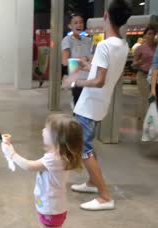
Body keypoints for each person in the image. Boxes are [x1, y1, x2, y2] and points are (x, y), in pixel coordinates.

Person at [62, 0, 132, 211]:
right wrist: (88, 65)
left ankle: (104, 195)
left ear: (105, 17)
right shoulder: (123, 44)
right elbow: (104, 73)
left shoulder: (104, 45)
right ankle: (92, 183)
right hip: (101, 102)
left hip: (90, 103)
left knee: (84, 147)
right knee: (87, 143)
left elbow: (99, 80)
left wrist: (74, 81)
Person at [1, 114, 83, 228]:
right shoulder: (58, 155)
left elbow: (29, 166)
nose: (42, 130)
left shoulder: (55, 158)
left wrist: (11, 153)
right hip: (52, 206)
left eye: (47, 129)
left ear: (57, 138)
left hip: (51, 209)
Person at [61, 13, 93, 106]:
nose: (79, 25)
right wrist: (82, 59)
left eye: (81, 22)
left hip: (90, 77)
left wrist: (86, 58)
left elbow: (92, 56)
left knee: (89, 105)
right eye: (75, 23)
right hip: (77, 78)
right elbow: (65, 61)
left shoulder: (87, 40)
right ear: (70, 26)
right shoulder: (67, 40)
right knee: (79, 105)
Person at [134, 26, 157, 126]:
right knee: (146, 97)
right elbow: (133, 64)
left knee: (153, 97)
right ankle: (145, 119)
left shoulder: (156, 47)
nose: (151, 36)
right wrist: (139, 61)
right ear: (145, 35)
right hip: (142, 75)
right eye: (149, 33)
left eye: (153, 33)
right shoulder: (140, 48)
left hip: (154, 76)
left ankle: (149, 117)